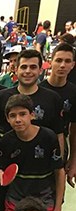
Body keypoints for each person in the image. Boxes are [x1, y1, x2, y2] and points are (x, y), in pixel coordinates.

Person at [0, 94, 65, 211]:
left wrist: (58, 210)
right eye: (13, 116)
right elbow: (0, 168)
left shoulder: (48, 137)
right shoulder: (6, 141)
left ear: (32, 115)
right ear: (7, 119)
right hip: (15, 200)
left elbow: (59, 172)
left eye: (22, 114)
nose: (18, 119)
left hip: (45, 200)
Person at [0, 49, 65, 154]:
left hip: (42, 160)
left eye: (33, 67)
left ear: (40, 70)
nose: (28, 71)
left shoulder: (53, 98)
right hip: (8, 159)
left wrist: (60, 160)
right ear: (16, 70)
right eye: (24, 67)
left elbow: (59, 134)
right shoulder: (0, 98)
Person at [40, 43, 76, 172]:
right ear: (50, 62)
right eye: (59, 60)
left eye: (67, 61)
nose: (62, 65)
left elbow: (74, 129)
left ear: (73, 65)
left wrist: (73, 160)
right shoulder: (38, 89)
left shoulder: (73, 93)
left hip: (60, 145)